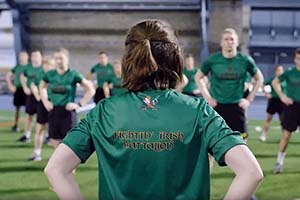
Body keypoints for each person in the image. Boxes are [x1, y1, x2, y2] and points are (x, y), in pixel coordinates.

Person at [45, 20, 263, 200]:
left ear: (129, 60)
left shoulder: (104, 112)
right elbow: (251, 172)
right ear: (174, 58)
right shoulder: (198, 111)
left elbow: (56, 169)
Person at [195, 28, 264, 141]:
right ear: (221, 43)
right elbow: (198, 77)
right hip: (217, 107)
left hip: (237, 107)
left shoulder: (245, 60)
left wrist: (249, 99)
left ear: (236, 42)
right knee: (211, 145)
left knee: (241, 144)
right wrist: (207, 98)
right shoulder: (212, 60)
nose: (229, 42)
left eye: (232, 39)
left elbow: (259, 78)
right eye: (226, 39)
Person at [39, 48, 95, 149]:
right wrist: (45, 101)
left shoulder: (73, 74)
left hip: (68, 113)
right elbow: (42, 87)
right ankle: (60, 164)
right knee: (54, 140)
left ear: (67, 59)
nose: (58, 61)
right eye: (56, 58)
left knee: (70, 144)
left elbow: (91, 89)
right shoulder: (49, 74)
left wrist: (79, 104)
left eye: (61, 58)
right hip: (54, 111)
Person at [272, 48, 300, 174]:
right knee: (286, 135)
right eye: (299, 58)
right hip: (292, 107)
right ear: (295, 59)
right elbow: (275, 82)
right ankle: (279, 162)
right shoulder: (289, 73)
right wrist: (282, 96)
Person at [28, 56, 55, 161]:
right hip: (42, 105)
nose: (48, 66)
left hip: (54, 106)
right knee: (39, 129)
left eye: (50, 64)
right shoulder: (40, 75)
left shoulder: (56, 76)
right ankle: (37, 153)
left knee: (54, 133)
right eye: (46, 64)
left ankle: (57, 157)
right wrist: (38, 95)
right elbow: (33, 85)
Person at [18, 50, 43, 142]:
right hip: (31, 96)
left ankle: (48, 136)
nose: (35, 58)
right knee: (29, 115)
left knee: (44, 118)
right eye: (33, 56)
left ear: (40, 57)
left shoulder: (44, 68)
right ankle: (27, 135)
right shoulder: (28, 68)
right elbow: (22, 76)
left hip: (42, 96)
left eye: (37, 56)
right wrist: (25, 87)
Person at [259, 65, 285, 142]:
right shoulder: (272, 79)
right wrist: (266, 93)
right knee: (269, 119)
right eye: (278, 70)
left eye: (281, 70)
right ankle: (263, 135)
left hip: (282, 101)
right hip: (273, 100)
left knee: (283, 120)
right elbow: (262, 84)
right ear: (276, 71)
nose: (280, 72)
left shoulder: (284, 79)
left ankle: (284, 137)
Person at [5, 51, 29, 132]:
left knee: (28, 110)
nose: (22, 57)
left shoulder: (29, 67)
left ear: (27, 57)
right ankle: (15, 125)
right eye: (21, 56)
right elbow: (8, 75)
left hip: (27, 90)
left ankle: (27, 128)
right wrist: (10, 85)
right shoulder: (17, 67)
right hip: (18, 90)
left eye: (23, 56)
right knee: (17, 109)